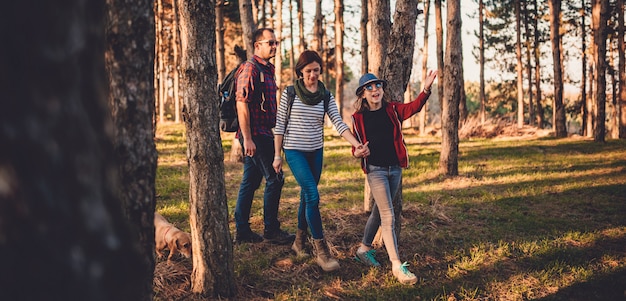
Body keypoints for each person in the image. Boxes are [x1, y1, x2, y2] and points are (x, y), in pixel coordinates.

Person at [273, 50, 368, 272]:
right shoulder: (290, 93)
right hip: (294, 151)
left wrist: (356, 144)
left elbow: (338, 122)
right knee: (313, 195)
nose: (313, 75)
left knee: (307, 197)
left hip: (316, 151)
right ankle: (322, 251)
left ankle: (298, 242)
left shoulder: (325, 95)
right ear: (300, 72)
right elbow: (279, 126)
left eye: (316, 70)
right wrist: (277, 155)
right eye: (308, 71)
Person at [351, 70, 438, 285]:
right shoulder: (358, 118)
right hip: (376, 170)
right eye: (369, 87)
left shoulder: (392, 110)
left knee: (379, 212)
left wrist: (426, 89)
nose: (375, 90)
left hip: (394, 169)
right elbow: (355, 148)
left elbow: (414, 107)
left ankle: (363, 250)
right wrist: (357, 153)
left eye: (378, 86)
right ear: (362, 94)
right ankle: (397, 265)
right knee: (389, 216)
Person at [233, 28, 294, 245]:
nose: (274, 46)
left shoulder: (267, 70)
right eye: (270, 43)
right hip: (256, 135)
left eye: (276, 42)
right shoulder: (250, 69)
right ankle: (271, 231)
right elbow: (242, 103)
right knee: (275, 178)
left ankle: (242, 231)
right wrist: (247, 138)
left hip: (264, 132)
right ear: (257, 45)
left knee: (251, 181)